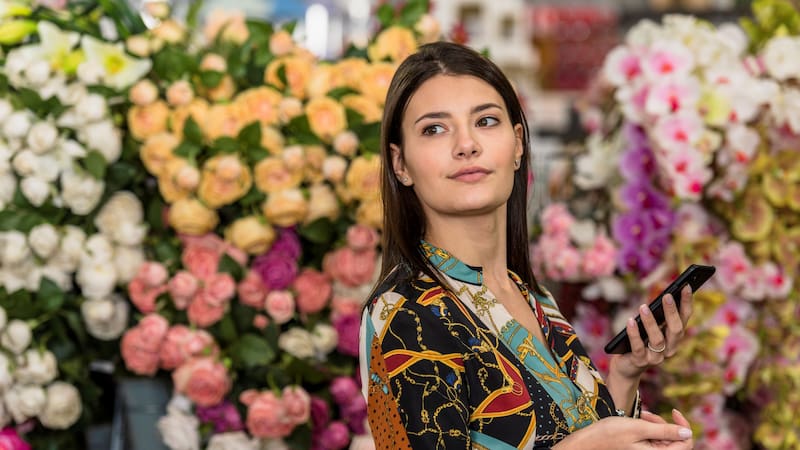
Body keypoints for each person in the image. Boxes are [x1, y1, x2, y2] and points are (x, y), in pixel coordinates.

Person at [358, 41, 695, 449]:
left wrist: (624, 376)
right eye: (434, 129)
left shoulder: (531, 297)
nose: (466, 145)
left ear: (517, 144)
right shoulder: (404, 314)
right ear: (400, 164)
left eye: (485, 121)